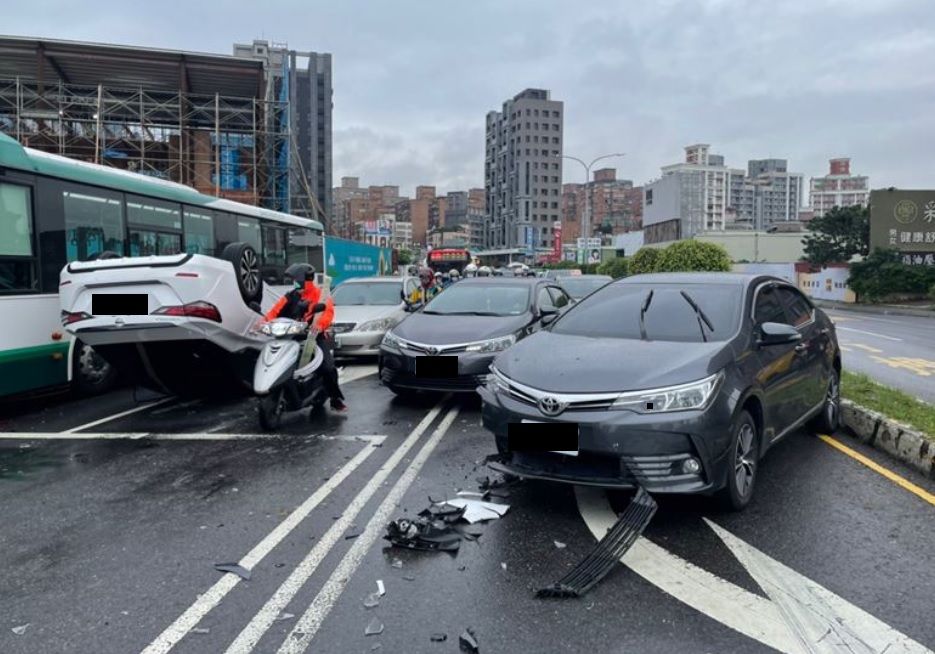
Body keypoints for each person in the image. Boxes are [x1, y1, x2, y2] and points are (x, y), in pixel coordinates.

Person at [264, 263, 347, 412]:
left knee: (327, 368)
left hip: (315, 336)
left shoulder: (321, 296)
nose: (294, 283)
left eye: (296, 280)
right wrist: (262, 324)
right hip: (290, 336)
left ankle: (335, 398)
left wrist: (318, 326)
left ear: (305, 280)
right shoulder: (290, 296)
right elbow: (274, 312)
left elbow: (327, 314)